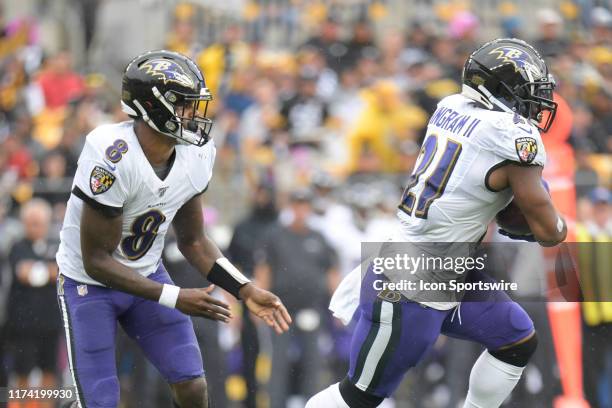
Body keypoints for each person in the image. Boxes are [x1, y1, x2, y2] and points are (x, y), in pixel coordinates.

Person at [307, 38, 567, 408]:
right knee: (359, 396)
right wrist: (556, 224)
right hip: (410, 282)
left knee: (516, 339)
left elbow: (477, 184)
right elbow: (547, 232)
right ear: (498, 89)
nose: (533, 102)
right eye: (526, 91)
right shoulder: (511, 136)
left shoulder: (451, 105)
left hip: (448, 266)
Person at [55, 50, 291, 408]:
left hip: (146, 273)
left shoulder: (194, 155)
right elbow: (96, 261)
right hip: (88, 285)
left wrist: (244, 289)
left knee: (193, 386)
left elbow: (194, 241)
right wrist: (174, 296)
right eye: (183, 104)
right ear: (153, 106)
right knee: (101, 401)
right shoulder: (112, 154)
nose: (192, 115)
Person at [255, 188, 338, 407]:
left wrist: (339, 307)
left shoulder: (319, 238)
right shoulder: (275, 235)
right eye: (297, 205)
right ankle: (276, 404)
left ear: (309, 208)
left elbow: (331, 271)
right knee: (279, 360)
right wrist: (258, 303)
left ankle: (311, 404)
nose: (301, 210)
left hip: (312, 307)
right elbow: (264, 269)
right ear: (291, 207)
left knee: (313, 361)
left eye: (305, 205)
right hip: (280, 308)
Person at [6, 199, 61, 397]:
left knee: (50, 373)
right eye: (31, 222)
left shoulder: (57, 246)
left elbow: (62, 272)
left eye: (39, 223)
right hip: (24, 324)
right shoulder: (18, 246)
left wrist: (40, 272)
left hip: (51, 322)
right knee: (22, 374)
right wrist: (48, 272)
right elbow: (25, 273)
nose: (35, 227)